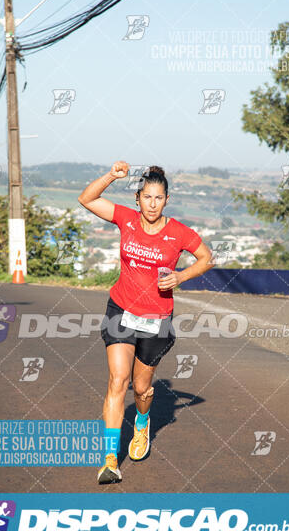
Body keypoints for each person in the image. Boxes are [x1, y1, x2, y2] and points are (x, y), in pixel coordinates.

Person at [77, 162, 214, 484]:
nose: (152, 204)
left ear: (166, 200)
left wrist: (181, 275)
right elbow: (86, 198)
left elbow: (207, 259)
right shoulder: (126, 219)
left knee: (141, 388)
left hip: (156, 319)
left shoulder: (179, 232)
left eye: (159, 198)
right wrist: (112, 176)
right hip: (121, 310)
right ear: (138, 198)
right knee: (117, 381)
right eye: (147, 197)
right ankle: (110, 459)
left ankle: (142, 421)